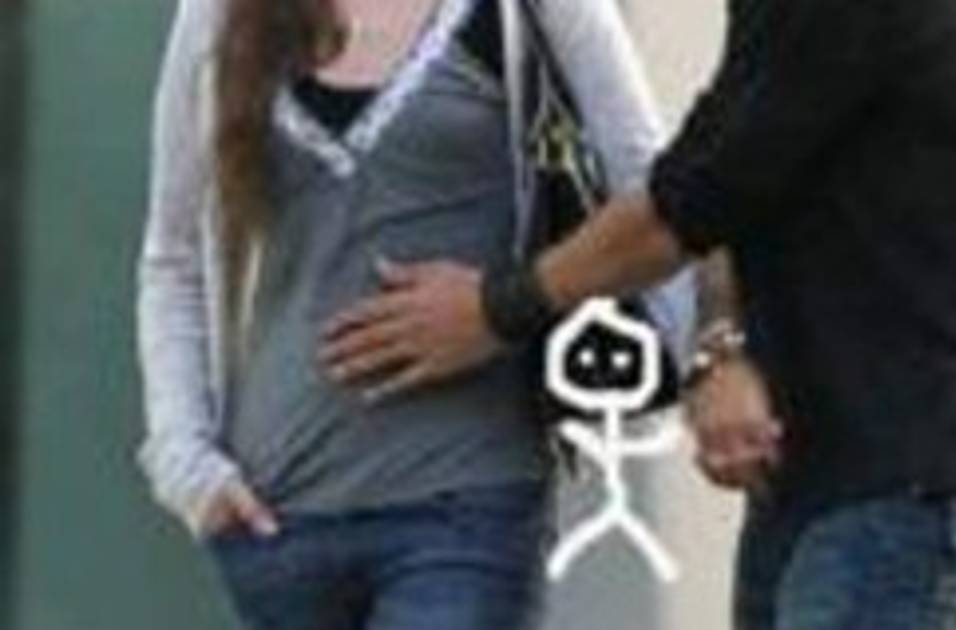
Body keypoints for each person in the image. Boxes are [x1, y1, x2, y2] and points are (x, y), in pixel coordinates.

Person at [334, 0, 956, 628]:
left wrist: (496, 309)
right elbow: (733, 173)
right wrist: (719, 348)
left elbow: (684, 207)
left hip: (909, 477)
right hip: (827, 470)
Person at [135, 0, 692, 628]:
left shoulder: (532, 12)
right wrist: (185, 462)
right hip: (276, 519)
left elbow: (653, 190)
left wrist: (675, 366)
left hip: (465, 503)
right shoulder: (219, 13)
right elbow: (174, 257)